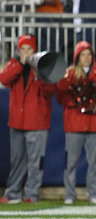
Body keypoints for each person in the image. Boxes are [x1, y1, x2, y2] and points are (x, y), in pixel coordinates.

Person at [56, 41, 96, 205]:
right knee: (71, 162)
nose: (86, 58)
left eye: (89, 54)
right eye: (83, 54)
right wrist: (71, 89)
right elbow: (60, 97)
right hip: (74, 125)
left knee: (94, 163)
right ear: (77, 57)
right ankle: (70, 194)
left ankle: (94, 194)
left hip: (94, 124)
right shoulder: (70, 75)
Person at [0, 35, 57, 204]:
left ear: (35, 50)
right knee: (17, 159)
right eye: (23, 49)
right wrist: (19, 64)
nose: (26, 52)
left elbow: (51, 90)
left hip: (37, 122)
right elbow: (4, 79)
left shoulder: (42, 66)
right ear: (19, 50)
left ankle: (31, 193)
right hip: (17, 121)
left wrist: (39, 75)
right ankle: (13, 193)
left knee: (35, 161)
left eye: (29, 49)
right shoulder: (14, 64)